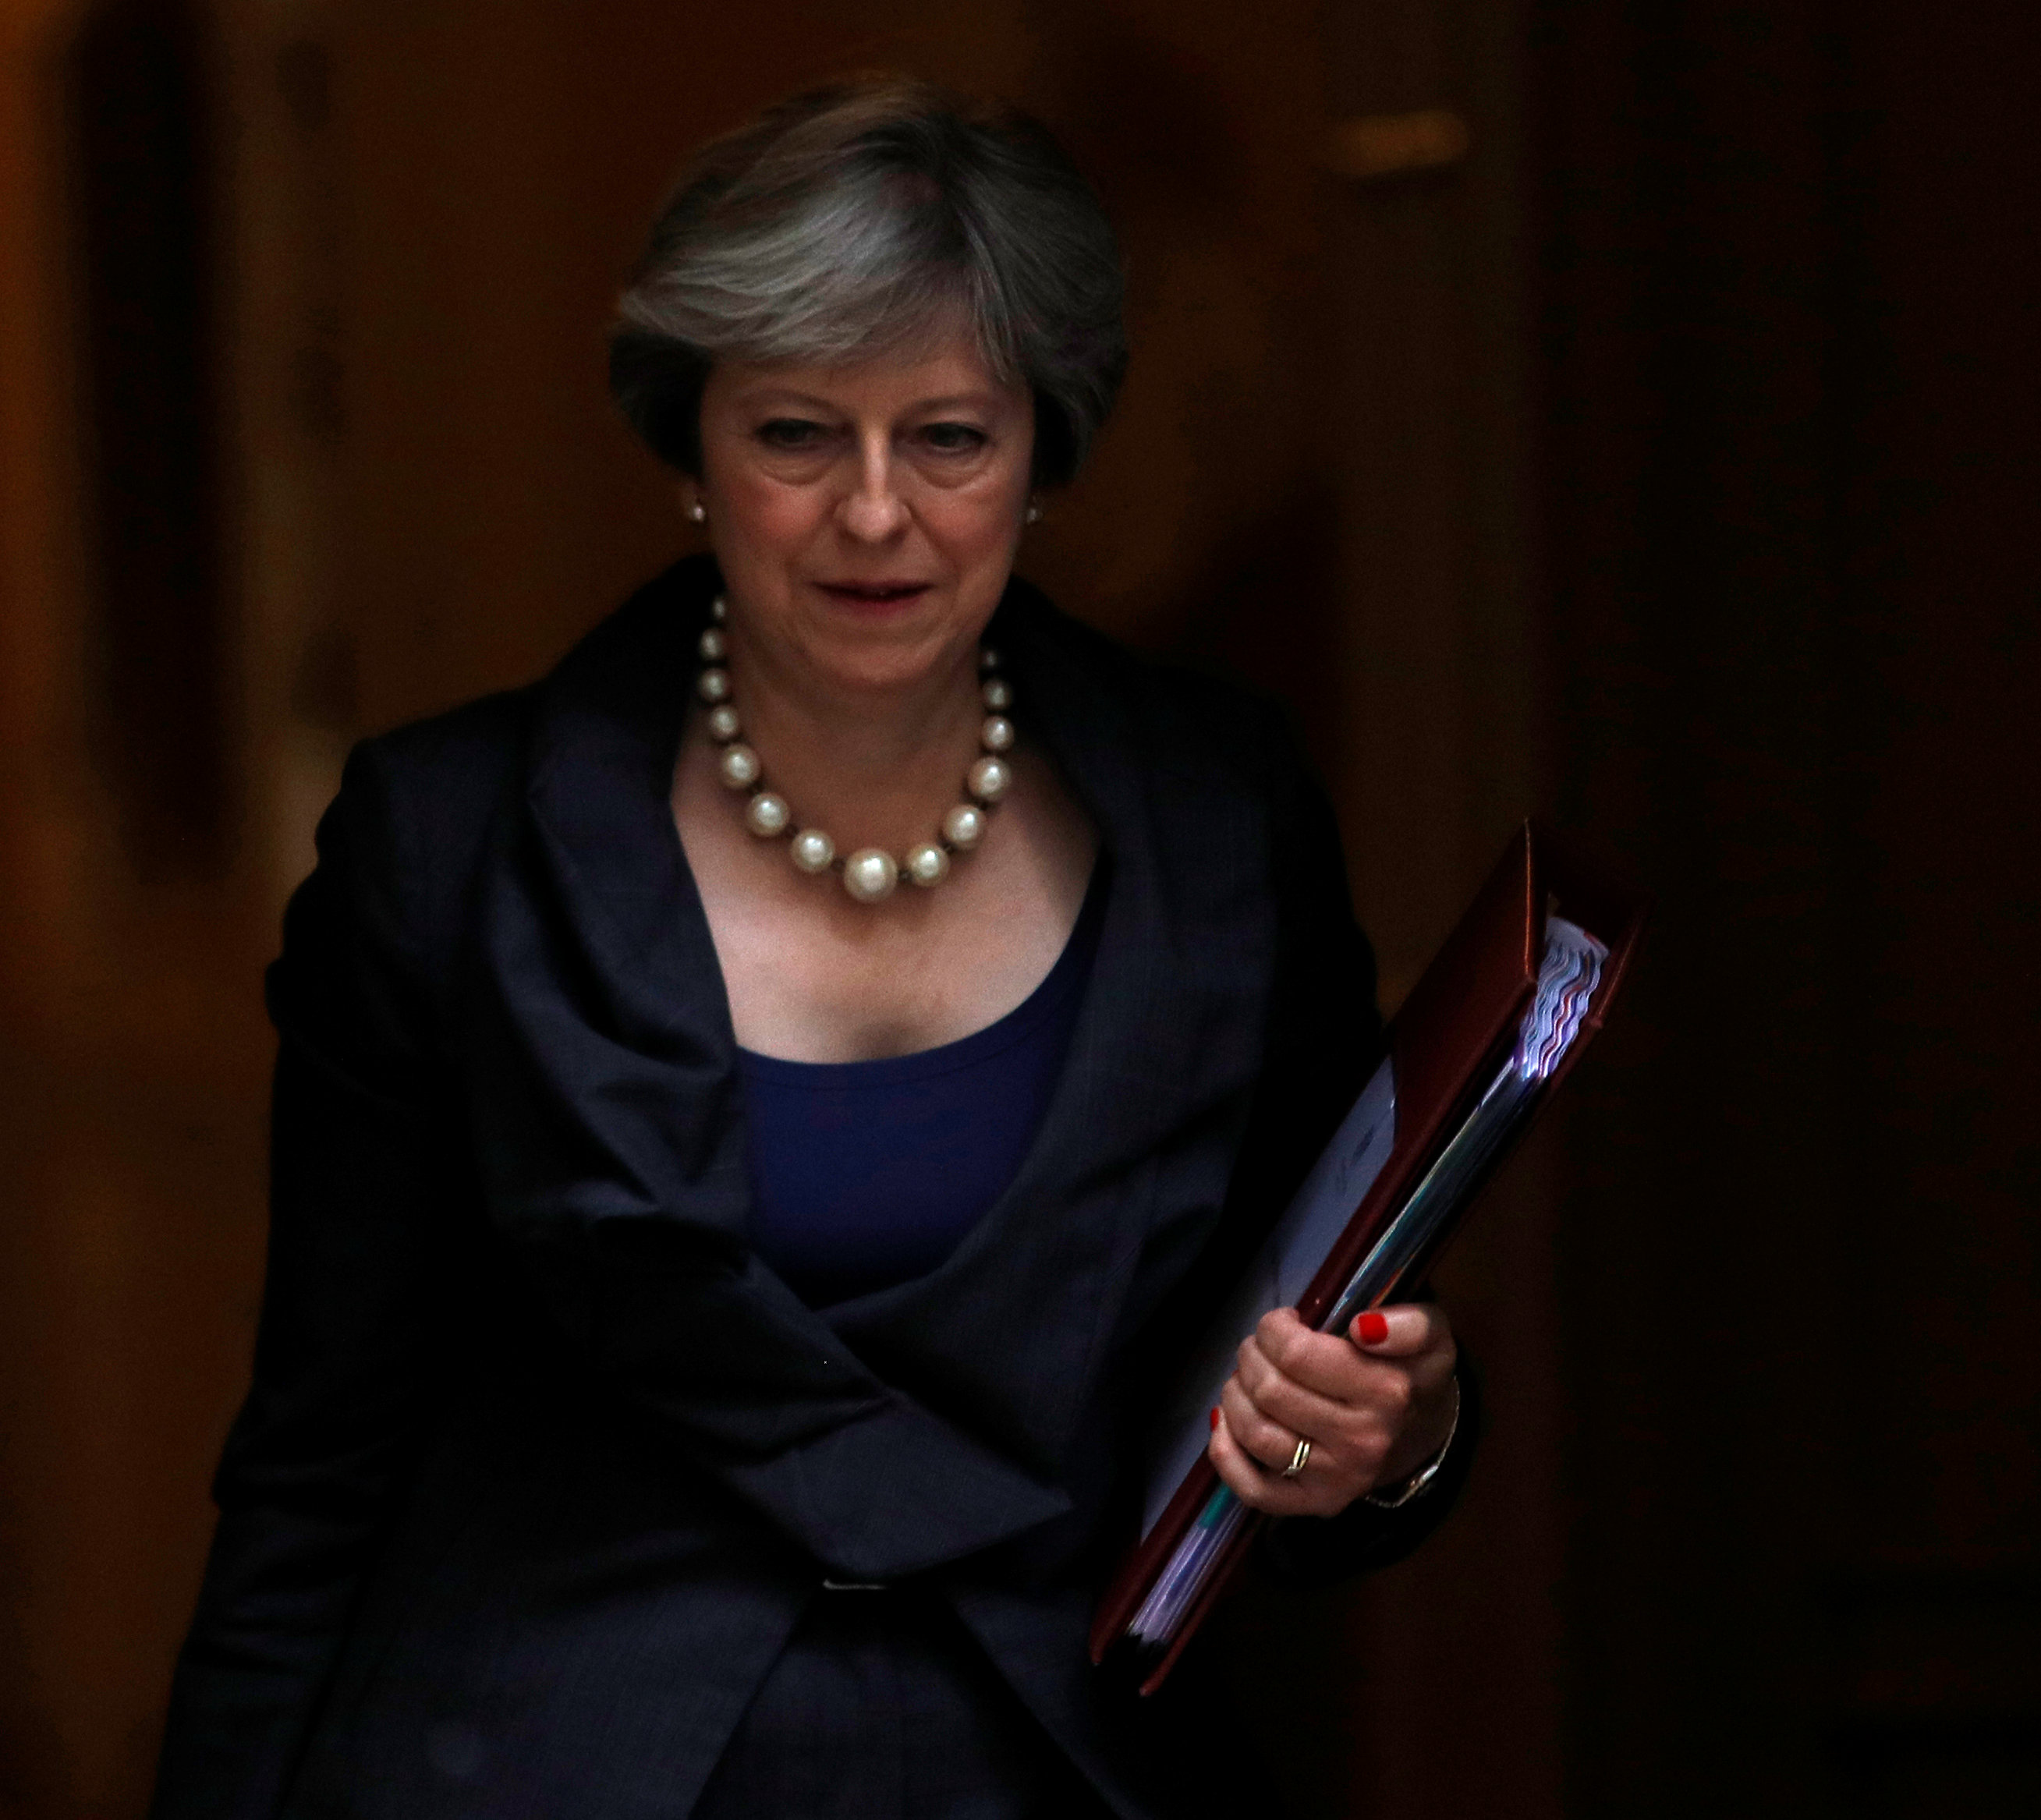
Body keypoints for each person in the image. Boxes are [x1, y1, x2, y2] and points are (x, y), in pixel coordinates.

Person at [149, 79, 1469, 1820]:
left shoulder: (1225, 825)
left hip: (1054, 1769)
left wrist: (1394, 1439)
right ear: (690, 450)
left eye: (950, 437)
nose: (873, 512)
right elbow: (317, 1472)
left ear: (1044, 452)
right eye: (794, 434)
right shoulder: (442, 848)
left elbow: (1286, 1411)